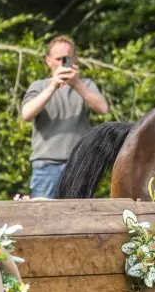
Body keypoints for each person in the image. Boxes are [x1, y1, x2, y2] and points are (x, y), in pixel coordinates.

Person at [21, 36, 108, 198]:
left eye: (67, 59)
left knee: (80, 218)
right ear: (48, 61)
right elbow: (26, 114)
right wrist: (53, 85)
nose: (62, 63)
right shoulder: (38, 86)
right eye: (58, 59)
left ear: (75, 60)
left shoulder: (85, 85)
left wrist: (76, 83)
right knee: (44, 217)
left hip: (79, 165)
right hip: (46, 167)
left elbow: (103, 108)